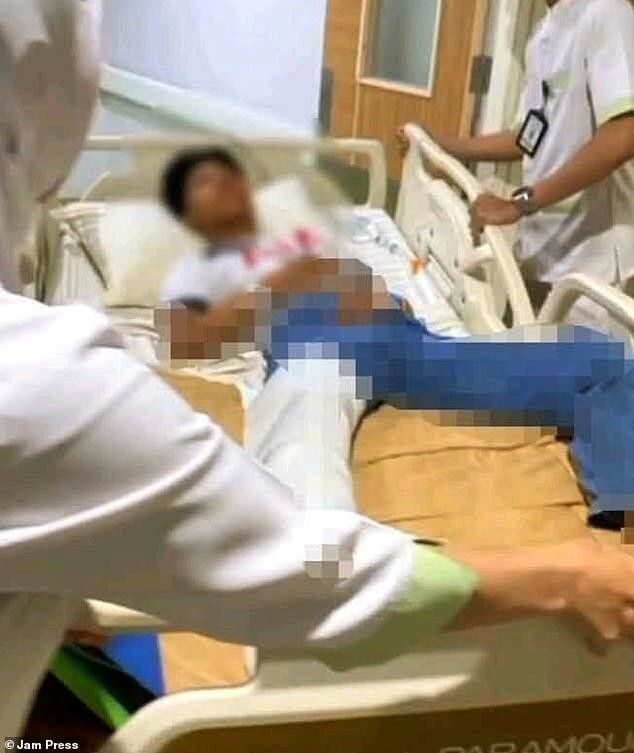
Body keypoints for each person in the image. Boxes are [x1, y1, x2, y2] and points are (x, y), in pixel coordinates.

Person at [4, 0, 634, 738]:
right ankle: (308, 671)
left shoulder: (341, 236)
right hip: (322, 354)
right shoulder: (164, 307)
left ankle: (619, 526)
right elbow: (184, 339)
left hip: (413, 347)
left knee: (602, 360)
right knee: (302, 462)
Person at [397, 0, 634, 330]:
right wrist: (444, 145)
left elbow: (623, 134)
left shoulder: (606, 13)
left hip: (592, 270)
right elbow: (527, 136)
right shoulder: (542, 37)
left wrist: (519, 204)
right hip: (540, 253)